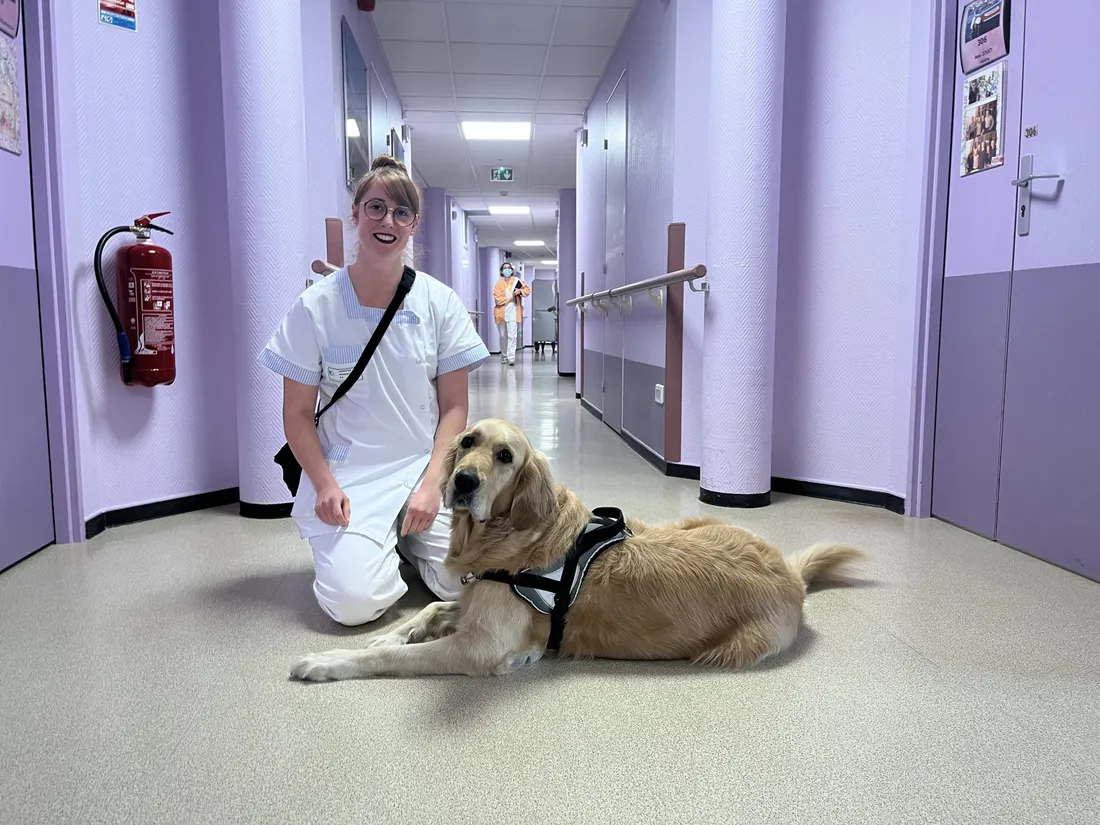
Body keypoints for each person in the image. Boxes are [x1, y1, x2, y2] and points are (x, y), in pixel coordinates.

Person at [259, 154, 491, 626]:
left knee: (470, 584)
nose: (388, 221)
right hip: (350, 476)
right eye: (377, 207)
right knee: (354, 605)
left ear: (414, 226)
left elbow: (454, 407)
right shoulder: (315, 308)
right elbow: (298, 415)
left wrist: (433, 484)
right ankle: (376, 545)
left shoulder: (438, 302)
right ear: (356, 214)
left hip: (420, 468)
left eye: (401, 212)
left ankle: (404, 537)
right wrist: (323, 483)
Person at [493, 261, 530, 365]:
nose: (507, 270)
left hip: (514, 311)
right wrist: (509, 299)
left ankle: (511, 357)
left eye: (509, 268)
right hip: (501, 313)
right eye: (505, 268)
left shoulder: (516, 281)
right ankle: (504, 355)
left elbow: (527, 290)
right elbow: (497, 299)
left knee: (512, 335)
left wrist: (520, 291)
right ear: (502, 271)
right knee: (503, 336)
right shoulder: (498, 284)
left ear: (512, 270)